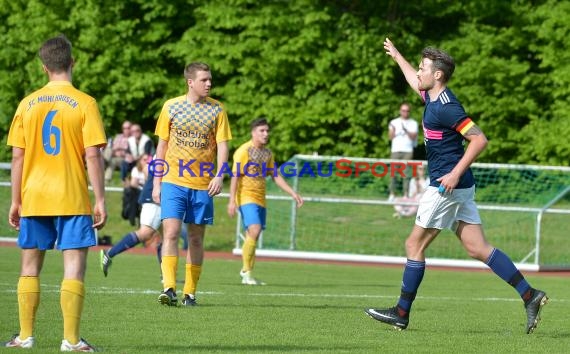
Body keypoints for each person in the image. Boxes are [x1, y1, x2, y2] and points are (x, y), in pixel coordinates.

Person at [364, 38, 548, 334]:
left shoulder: (447, 107)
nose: (419, 72)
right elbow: (414, 81)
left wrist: (452, 174)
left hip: (446, 186)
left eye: (424, 67)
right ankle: (530, 295)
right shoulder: (431, 98)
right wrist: (398, 57)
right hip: (460, 186)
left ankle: (401, 312)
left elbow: (479, 139)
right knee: (478, 247)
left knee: (414, 244)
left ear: (438, 75)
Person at [4, 34, 106, 351]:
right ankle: (71, 341)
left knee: (29, 267)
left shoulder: (27, 104)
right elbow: (93, 154)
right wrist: (100, 199)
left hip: (34, 196)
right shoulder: (85, 103)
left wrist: (15, 200)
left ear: (44, 67)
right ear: (72, 62)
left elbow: (17, 156)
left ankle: (24, 337)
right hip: (72, 196)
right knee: (73, 267)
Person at [153, 62, 232, 307]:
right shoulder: (171, 106)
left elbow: (223, 146)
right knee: (171, 233)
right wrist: (156, 183)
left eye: (210, 80)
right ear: (190, 82)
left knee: (195, 239)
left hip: (203, 184)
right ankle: (169, 288)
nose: (209, 83)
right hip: (173, 181)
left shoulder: (218, 110)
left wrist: (219, 175)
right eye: (204, 80)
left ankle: (190, 293)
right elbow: (161, 147)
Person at [227, 118, 304, 285]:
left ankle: (248, 274)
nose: (266, 134)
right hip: (246, 196)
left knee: (253, 235)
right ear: (253, 132)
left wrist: (293, 193)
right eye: (262, 130)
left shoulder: (267, 153)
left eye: (267, 131)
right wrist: (231, 200)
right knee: (254, 229)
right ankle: (246, 272)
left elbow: (275, 175)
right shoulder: (244, 151)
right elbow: (235, 176)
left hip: (261, 198)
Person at [99, 175, 189, 277]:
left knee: (166, 238)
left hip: (162, 196)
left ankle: (166, 277)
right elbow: (149, 169)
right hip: (156, 198)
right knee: (145, 232)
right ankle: (109, 254)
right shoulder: (162, 158)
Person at [388, 102, 418, 201]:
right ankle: (392, 194)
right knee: (393, 173)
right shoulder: (393, 122)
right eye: (403, 110)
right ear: (400, 111)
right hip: (395, 150)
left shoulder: (413, 123)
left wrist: (405, 130)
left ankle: (406, 194)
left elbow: (413, 137)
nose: (405, 112)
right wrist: (394, 130)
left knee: (406, 173)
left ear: (409, 112)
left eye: (407, 111)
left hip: (408, 151)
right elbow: (390, 137)